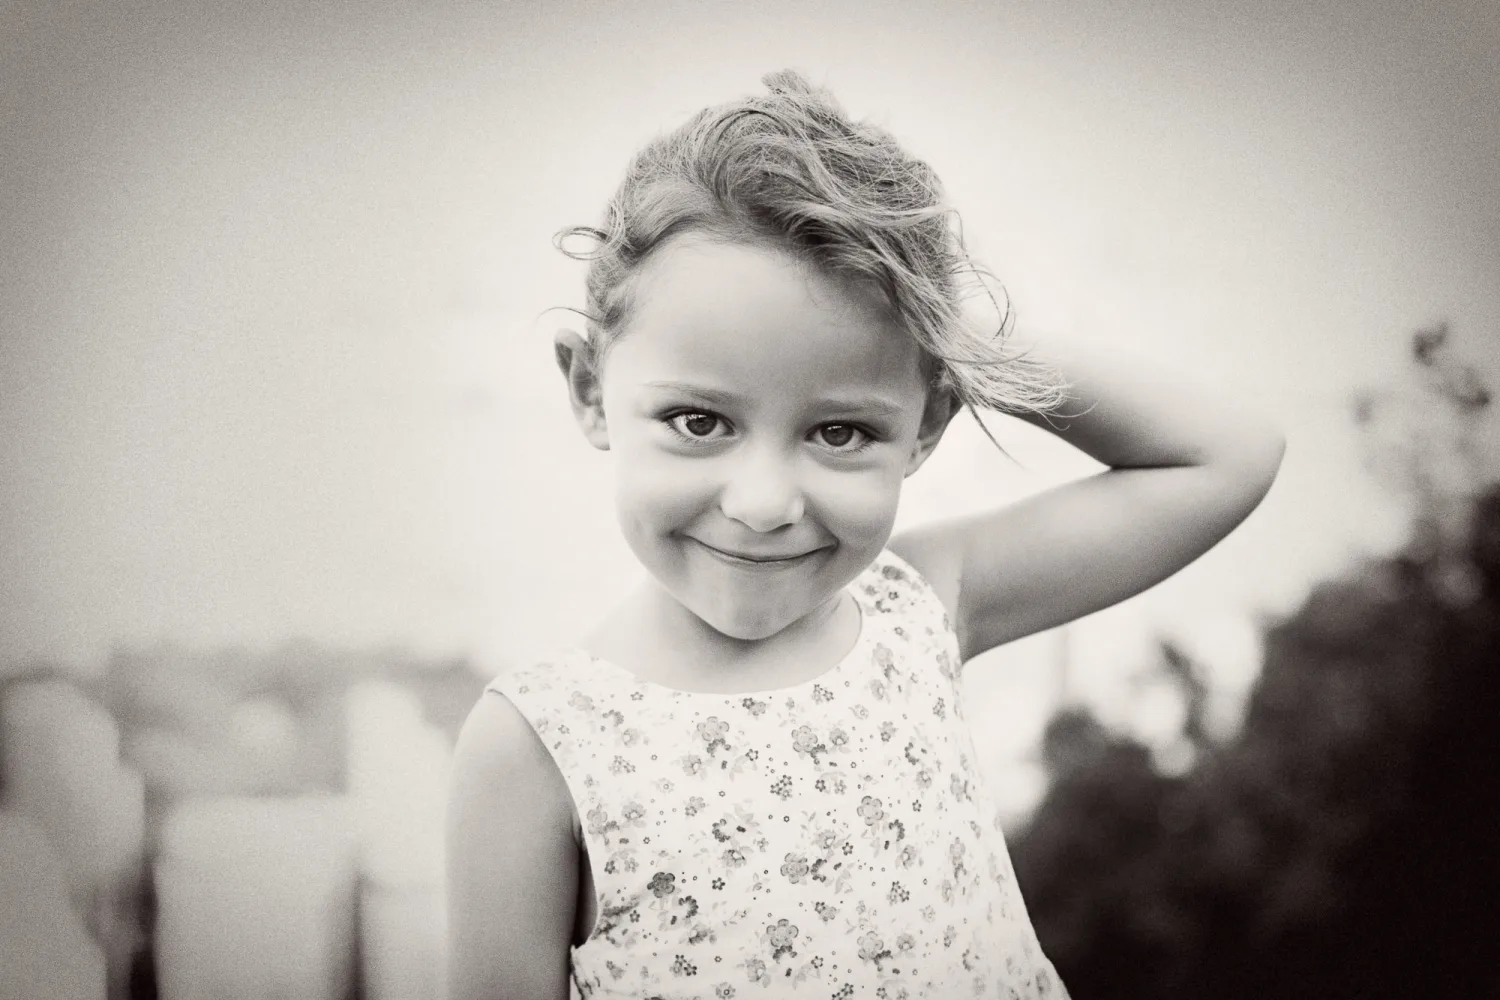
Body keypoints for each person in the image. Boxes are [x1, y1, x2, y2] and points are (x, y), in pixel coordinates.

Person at [445, 70, 1285, 1000]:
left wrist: (946, 336)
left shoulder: (923, 605)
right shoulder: (536, 744)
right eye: (697, 420)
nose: (763, 503)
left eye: (839, 431)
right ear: (591, 389)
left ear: (925, 426)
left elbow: (1229, 456)